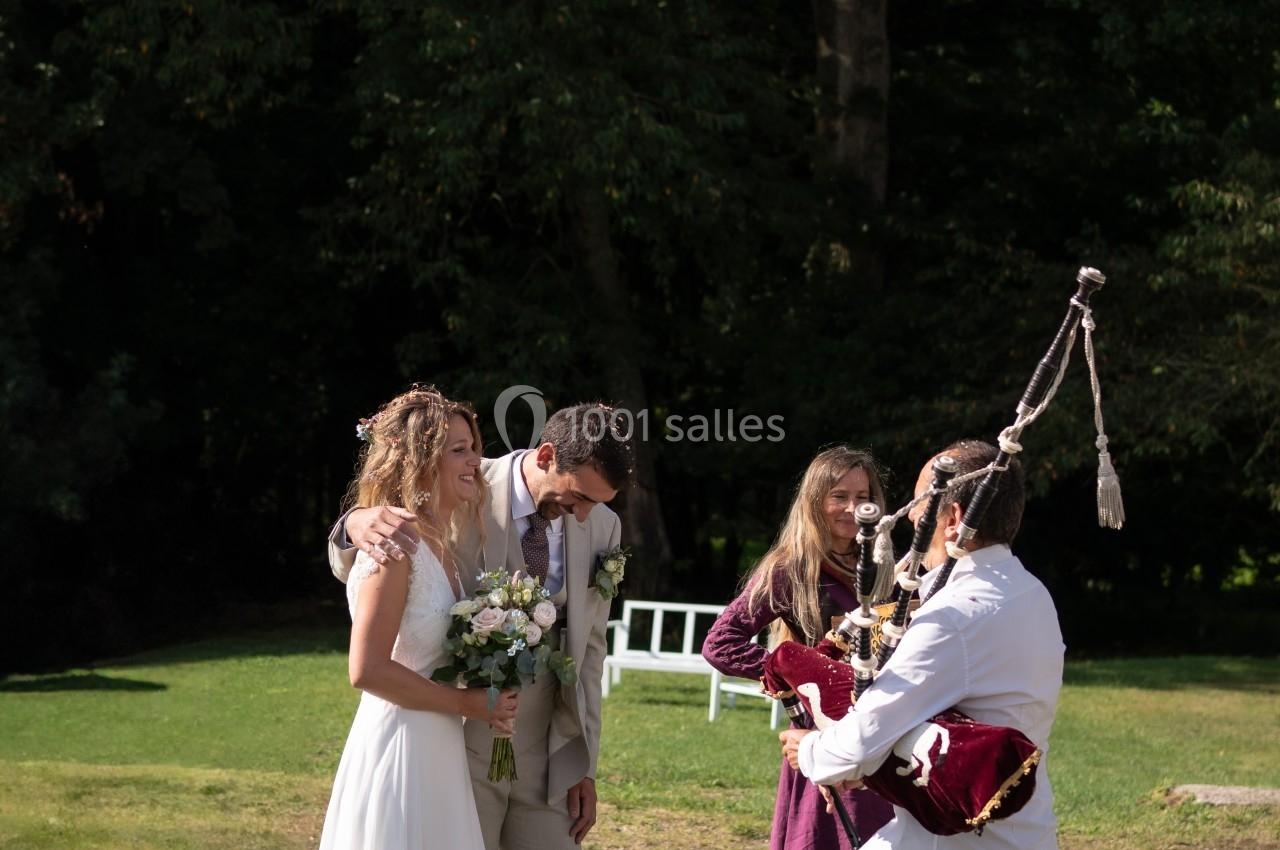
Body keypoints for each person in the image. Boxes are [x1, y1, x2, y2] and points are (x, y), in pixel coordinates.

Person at [329, 402, 633, 850]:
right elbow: (373, 556)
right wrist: (353, 522)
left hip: (547, 752)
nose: (584, 513)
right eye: (579, 497)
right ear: (546, 456)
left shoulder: (604, 525)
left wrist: (583, 764)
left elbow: (591, 650)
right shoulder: (464, 482)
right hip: (458, 739)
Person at [780, 440, 1065, 850]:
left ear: (954, 519)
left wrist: (810, 749)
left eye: (919, 505)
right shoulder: (1032, 592)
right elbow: (940, 725)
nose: (912, 517)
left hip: (957, 840)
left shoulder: (952, 616)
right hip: (1023, 829)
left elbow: (861, 740)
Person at [319, 386, 520, 850]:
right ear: (420, 461)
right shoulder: (395, 546)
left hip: (437, 744)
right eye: (459, 450)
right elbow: (366, 670)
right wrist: (466, 704)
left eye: (474, 448)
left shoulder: (441, 545)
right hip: (401, 745)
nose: (475, 461)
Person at [702, 445, 895, 850]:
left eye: (862, 497)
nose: (852, 508)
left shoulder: (886, 567)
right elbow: (721, 644)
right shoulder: (790, 568)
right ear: (815, 501)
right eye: (839, 496)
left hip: (883, 728)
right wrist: (795, 672)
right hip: (821, 732)